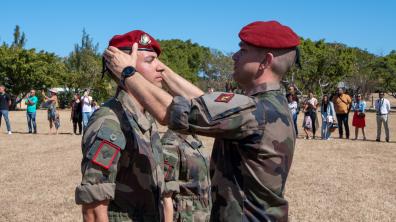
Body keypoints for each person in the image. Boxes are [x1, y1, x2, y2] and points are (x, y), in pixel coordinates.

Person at [105, 20, 299, 221]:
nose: (235, 55)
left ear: (265, 62)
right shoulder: (272, 105)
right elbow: (205, 105)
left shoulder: (258, 111)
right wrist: (161, 69)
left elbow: (170, 111)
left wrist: (128, 72)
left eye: (243, 50)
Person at [75, 30, 167, 222]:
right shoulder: (110, 120)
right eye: (150, 61)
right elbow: (93, 208)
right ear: (123, 64)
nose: (161, 68)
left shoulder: (145, 118)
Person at [162, 130, 211, 222]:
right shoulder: (170, 144)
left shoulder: (193, 138)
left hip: (202, 216)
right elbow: (166, 196)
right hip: (185, 217)